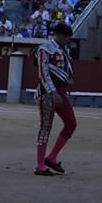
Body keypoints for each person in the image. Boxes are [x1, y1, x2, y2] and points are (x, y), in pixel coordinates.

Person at [34, 23, 78, 176]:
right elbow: (43, 72)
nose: (68, 40)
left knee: (71, 123)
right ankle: (40, 165)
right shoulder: (44, 48)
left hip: (60, 92)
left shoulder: (64, 51)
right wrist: (53, 92)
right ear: (59, 35)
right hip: (47, 92)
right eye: (67, 37)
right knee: (46, 126)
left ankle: (51, 157)